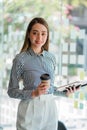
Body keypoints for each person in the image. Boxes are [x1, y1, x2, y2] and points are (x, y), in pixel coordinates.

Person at [7, 17, 78, 130]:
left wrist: (65, 93)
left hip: (50, 108)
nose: (39, 37)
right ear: (29, 35)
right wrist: (34, 93)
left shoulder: (51, 58)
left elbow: (49, 88)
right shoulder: (20, 59)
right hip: (30, 108)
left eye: (43, 34)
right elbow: (11, 91)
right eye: (35, 33)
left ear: (47, 36)